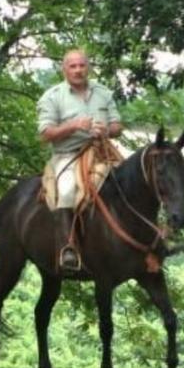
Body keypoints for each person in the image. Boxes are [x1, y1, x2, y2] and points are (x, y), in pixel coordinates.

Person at [37, 49, 123, 270]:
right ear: (64, 70)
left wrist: (108, 130)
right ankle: (68, 248)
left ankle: (158, 235)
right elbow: (45, 134)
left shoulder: (103, 92)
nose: (78, 70)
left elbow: (117, 126)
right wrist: (74, 125)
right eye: (72, 66)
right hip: (68, 155)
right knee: (66, 190)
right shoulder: (52, 96)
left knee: (137, 180)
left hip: (102, 153)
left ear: (89, 67)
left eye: (82, 65)